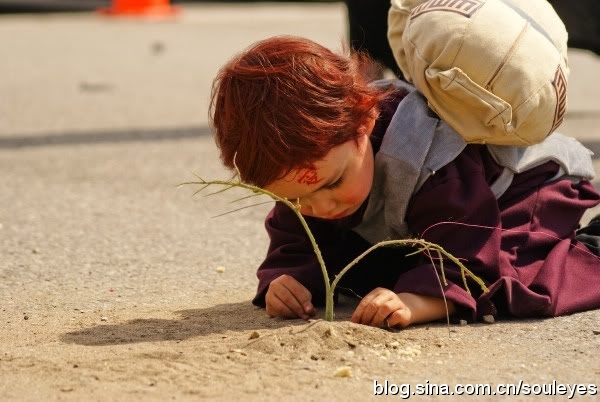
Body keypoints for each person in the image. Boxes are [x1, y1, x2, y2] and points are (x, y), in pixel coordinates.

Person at [209, 35, 600, 329]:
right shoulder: (315, 167)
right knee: (358, 273)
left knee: (510, 283)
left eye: (332, 184)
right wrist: (286, 280)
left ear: (364, 123)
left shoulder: (425, 157)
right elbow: (295, 239)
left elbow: (466, 247)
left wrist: (418, 301)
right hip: (438, 214)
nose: (319, 207)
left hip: (523, 190)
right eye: (296, 199)